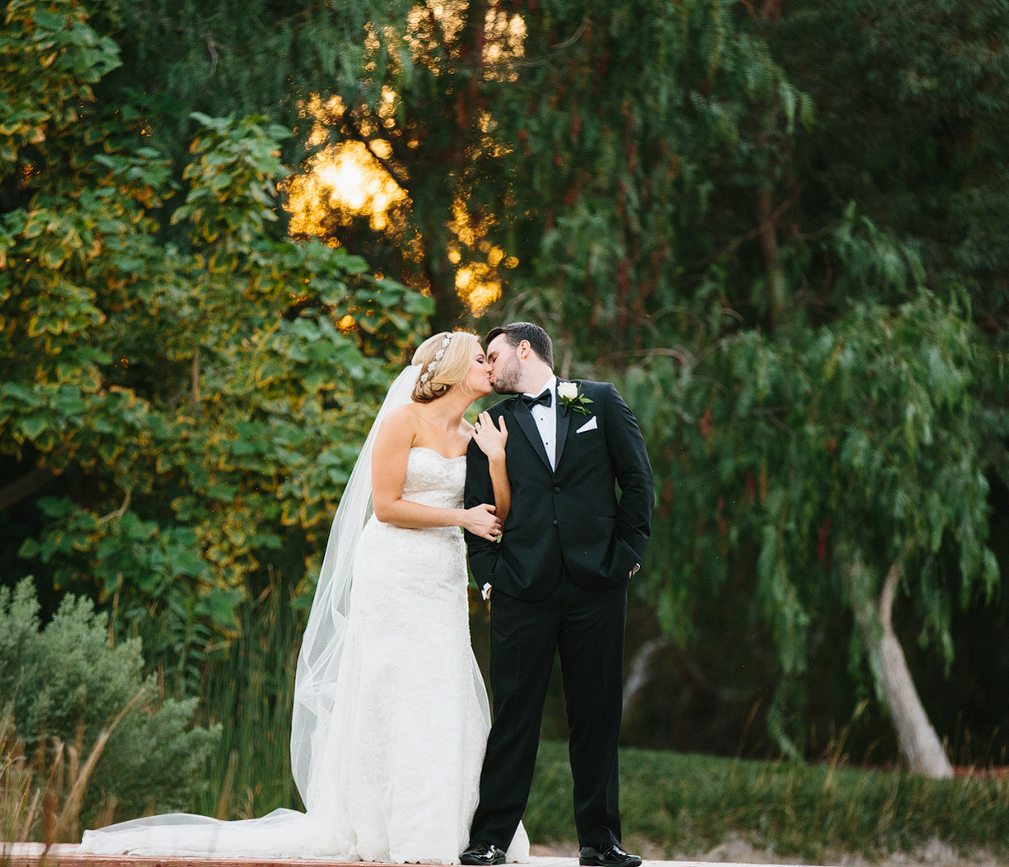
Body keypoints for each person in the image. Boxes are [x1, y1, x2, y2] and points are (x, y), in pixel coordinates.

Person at [80, 332, 529, 864]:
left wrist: (497, 460)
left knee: (439, 688)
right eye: (481, 358)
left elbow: (497, 516)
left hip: (444, 576)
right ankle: (382, 826)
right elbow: (385, 507)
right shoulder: (402, 420)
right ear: (455, 368)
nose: (490, 367)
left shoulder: (477, 433)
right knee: (391, 684)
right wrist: (459, 517)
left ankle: (444, 829)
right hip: (393, 569)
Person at [459, 323, 653, 867]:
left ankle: (600, 841)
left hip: (597, 586)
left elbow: (637, 481)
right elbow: (479, 508)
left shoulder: (602, 401)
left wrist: (627, 557)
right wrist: (490, 575)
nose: (489, 368)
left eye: (493, 356)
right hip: (522, 587)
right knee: (515, 715)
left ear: (525, 349)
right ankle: (490, 840)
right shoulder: (491, 423)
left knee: (596, 714)